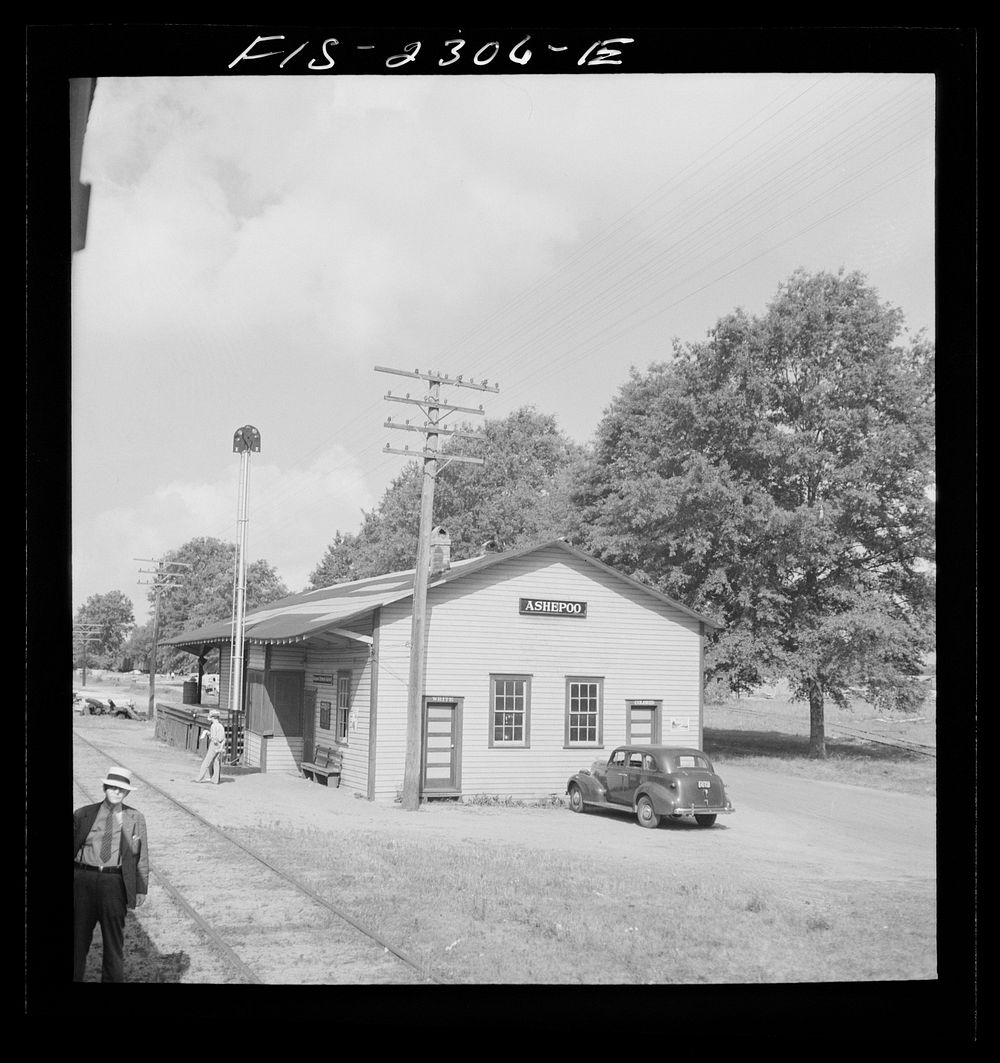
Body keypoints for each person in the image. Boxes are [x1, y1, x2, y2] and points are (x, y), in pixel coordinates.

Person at [73, 766, 148, 982]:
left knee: (114, 943)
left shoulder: (136, 818)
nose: (117, 792)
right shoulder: (83, 814)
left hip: (114, 883)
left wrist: (141, 888)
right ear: (105, 788)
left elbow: (141, 856)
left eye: (122, 790)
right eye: (113, 788)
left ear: (127, 793)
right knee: (77, 940)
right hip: (82, 880)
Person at [195, 709, 226, 784]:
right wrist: (221, 746)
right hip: (220, 744)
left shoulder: (213, 726)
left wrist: (207, 733)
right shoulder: (221, 726)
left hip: (214, 745)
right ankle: (215, 780)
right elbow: (223, 738)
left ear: (213, 718)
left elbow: (213, 738)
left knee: (207, 761)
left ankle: (199, 778)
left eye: (211, 717)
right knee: (216, 762)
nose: (210, 719)